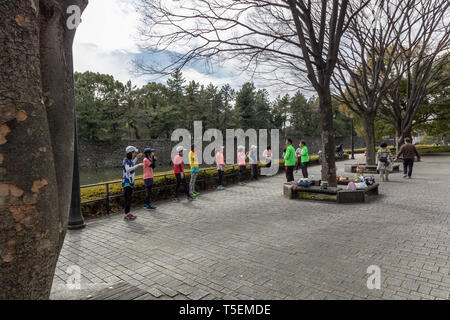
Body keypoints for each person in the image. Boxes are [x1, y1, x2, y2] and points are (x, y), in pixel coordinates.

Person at [122, 146, 143, 220]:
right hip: (127, 182)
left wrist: (137, 158)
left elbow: (132, 164)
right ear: (130, 153)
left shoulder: (129, 160)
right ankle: (126, 214)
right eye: (134, 152)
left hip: (130, 182)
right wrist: (138, 165)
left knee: (129, 199)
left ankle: (128, 213)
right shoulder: (125, 160)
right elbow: (128, 169)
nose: (134, 154)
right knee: (127, 199)